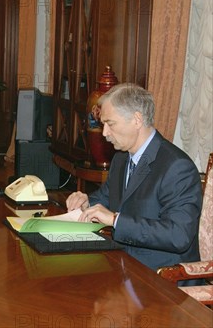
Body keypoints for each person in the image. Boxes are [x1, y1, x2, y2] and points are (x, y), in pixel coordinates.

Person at [66, 83, 202, 271]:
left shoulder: (177, 167)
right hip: (124, 265)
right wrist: (86, 202)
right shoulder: (121, 158)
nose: (104, 133)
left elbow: (178, 235)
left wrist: (115, 220)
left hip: (162, 280)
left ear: (137, 120)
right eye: (103, 124)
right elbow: (106, 197)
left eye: (110, 124)